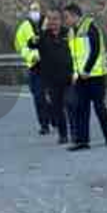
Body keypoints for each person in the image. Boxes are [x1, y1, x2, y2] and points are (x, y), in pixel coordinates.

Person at [65, 1, 107, 150]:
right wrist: (75, 73)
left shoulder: (90, 27)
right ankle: (82, 141)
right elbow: (73, 56)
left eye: (67, 17)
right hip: (80, 76)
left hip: (95, 75)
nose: (65, 20)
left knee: (99, 107)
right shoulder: (71, 32)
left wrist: (86, 69)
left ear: (74, 15)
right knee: (80, 108)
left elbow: (95, 50)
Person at [34, 8, 73, 145]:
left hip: (69, 77)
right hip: (51, 79)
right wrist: (38, 35)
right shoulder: (42, 35)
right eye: (50, 19)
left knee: (70, 104)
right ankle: (63, 135)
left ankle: (75, 132)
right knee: (57, 108)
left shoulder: (68, 33)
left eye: (55, 19)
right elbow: (31, 44)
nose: (53, 22)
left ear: (60, 20)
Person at [13, 1, 49, 135]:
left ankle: (55, 118)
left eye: (37, 9)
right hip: (35, 65)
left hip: (50, 64)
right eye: (32, 10)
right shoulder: (23, 28)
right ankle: (44, 124)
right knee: (38, 96)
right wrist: (30, 56)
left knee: (54, 94)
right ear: (29, 12)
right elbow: (19, 47)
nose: (35, 12)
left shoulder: (49, 23)